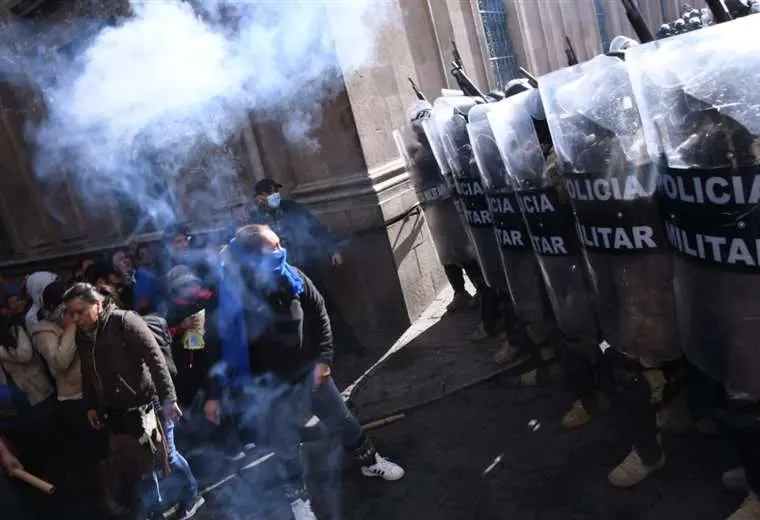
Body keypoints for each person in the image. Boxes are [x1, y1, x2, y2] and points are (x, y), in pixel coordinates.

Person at [211, 224, 404, 520]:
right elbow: (221, 346)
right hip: (270, 386)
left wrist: (324, 360)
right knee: (286, 446)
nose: (280, 250)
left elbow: (319, 314)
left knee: (342, 421)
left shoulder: (293, 276)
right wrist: (219, 393)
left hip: (309, 374)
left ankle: (370, 460)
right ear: (252, 256)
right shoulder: (235, 293)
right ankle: (298, 500)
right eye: (272, 247)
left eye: (280, 244)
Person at [63, 283, 204, 520]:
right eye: (71, 313)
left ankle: (192, 495)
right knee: (140, 464)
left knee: (166, 456)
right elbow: (88, 371)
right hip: (117, 412)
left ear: (97, 304)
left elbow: (155, 359)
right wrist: (90, 405)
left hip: (148, 405)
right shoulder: (83, 335)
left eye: (80, 311)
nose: (75, 318)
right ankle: (155, 510)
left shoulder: (124, 322)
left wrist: (169, 398)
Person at [31, 279, 125, 518]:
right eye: (67, 307)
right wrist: (72, 327)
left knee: (111, 449)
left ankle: (121, 492)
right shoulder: (43, 330)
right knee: (95, 457)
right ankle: (105, 502)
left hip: (97, 393)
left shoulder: (86, 321)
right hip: (74, 400)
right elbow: (59, 363)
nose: (73, 312)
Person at [249, 179, 365, 356]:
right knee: (294, 315)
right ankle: (311, 355)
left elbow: (316, 227)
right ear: (260, 199)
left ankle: (350, 345)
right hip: (280, 274)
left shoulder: (291, 208)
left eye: (275, 191)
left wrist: (332, 249)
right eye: (269, 193)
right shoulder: (256, 221)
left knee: (324, 304)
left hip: (307, 265)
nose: (274, 196)